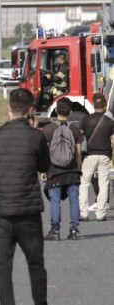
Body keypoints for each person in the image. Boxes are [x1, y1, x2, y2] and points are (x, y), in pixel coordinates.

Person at [0, 88, 50, 305]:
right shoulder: (35, 138)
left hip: (0, 213)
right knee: (36, 264)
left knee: (4, 267)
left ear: (9, 108)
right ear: (31, 110)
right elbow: (43, 166)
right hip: (28, 212)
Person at [41, 98, 83, 240]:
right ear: (70, 112)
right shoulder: (75, 130)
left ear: (56, 110)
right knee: (74, 200)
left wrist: (44, 171)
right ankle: (74, 231)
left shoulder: (48, 129)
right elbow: (78, 153)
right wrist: (79, 170)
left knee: (55, 201)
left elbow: (45, 153)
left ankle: (55, 231)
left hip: (54, 171)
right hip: (72, 171)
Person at [79, 93, 114, 222]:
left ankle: (84, 213)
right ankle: (101, 214)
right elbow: (113, 140)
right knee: (103, 183)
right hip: (105, 155)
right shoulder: (110, 122)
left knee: (84, 183)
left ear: (94, 105)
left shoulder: (86, 119)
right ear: (104, 106)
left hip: (89, 155)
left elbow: (79, 137)